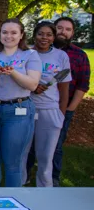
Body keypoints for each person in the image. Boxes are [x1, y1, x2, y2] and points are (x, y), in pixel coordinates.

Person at [0, 18, 41, 187]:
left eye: (14, 32)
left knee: (12, 162)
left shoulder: (30, 55)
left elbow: (32, 84)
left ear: (21, 35)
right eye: (4, 32)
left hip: (18, 110)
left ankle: (13, 202)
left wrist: (12, 72)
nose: (9, 36)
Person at [24, 22, 71, 187]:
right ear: (34, 35)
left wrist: (61, 114)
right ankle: (19, 186)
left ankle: (45, 190)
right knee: (22, 154)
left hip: (50, 111)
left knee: (45, 157)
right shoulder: (25, 53)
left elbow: (64, 89)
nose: (44, 38)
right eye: (40, 34)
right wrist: (33, 86)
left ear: (53, 38)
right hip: (26, 108)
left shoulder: (61, 56)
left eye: (49, 35)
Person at [51, 17, 90, 186]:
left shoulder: (79, 55)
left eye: (67, 29)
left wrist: (70, 109)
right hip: (40, 105)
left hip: (63, 107)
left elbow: (83, 85)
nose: (63, 32)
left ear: (72, 33)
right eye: (60, 28)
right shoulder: (38, 51)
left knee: (57, 145)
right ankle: (28, 175)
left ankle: (53, 178)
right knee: (31, 145)